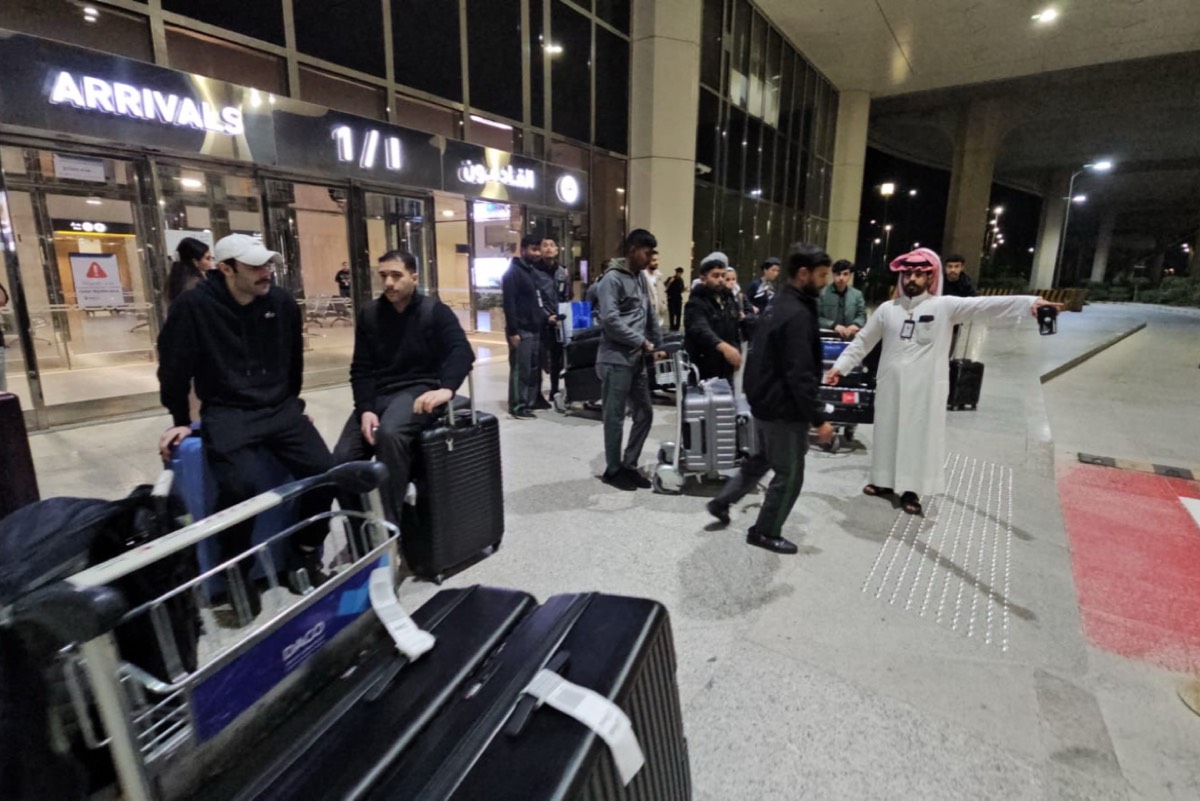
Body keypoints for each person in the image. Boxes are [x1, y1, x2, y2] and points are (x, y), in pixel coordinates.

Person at [156, 233, 333, 600]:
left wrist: (293, 405)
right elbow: (174, 369)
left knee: (326, 473)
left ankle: (303, 551)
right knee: (240, 488)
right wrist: (180, 419)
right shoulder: (193, 307)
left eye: (267, 264)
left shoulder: (281, 303)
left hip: (279, 408)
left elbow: (293, 361)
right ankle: (235, 570)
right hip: (228, 411)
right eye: (254, 267)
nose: (266, 272)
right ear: (225, 269)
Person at [826, 248, 1063, 516]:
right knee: (887, 433)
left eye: (919, 274)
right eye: (908, 273)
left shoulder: (944, 307)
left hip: (925, 390)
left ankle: (911, 490)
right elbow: (863, 341)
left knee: (917, 439)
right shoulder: (887, 310)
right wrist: (840, 367)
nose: (912, 278)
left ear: (930, 277)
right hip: (891, 386)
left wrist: (1030, 303)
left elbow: (985, 306)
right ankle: (883, 481)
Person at [705, 243, 835, 554]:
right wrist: (819, 418)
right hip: (783, 408)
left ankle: (723, 501)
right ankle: (764, 531)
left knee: (762, 458)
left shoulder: (780, 303)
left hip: (764, 402)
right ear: (803, 274)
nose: (825, 281)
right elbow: (799, 373)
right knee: (789, 473)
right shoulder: (797, 313)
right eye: (821, 275)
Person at [332, 250, 474, 521]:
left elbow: (461, 351)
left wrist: (446, 389)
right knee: (341, 460)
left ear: (414, 278)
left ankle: (389, 527)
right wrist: (365, 409)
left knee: (390, 434)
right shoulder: (370, 314)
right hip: (380, 394)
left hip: (420, 388)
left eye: (396, 276)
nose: (389, 283)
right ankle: (362, 528)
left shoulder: (434, 311)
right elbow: (361, 368)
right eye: (383, 276)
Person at [595, 229, 664, 491]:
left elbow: (648, 312)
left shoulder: (640, 278)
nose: (650, 258)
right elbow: (610, 320)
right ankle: (613, 470)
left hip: (636, 359)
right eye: (647, 252)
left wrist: (657, 343)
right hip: (615, 360)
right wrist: (640, 341)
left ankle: (629, 464)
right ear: (633, 250)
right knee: (614, 417)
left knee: (644, 413)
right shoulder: (611, 279)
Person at [502, 235, 556, 419]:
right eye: (534, 250)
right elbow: (509, 304)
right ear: (523, 250)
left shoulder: (531, 272)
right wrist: (513, 331)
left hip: (534, 328)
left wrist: (546, 318)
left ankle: (531, 401)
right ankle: (518, 405)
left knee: (533, 368)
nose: (537, 253)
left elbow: (537, 301)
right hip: (521, 330)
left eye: (538, 249)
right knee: (521, 369)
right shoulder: (513, 273)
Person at [684, 256, 742, 382]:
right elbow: (700, 329)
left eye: (723, 275)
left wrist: (736, 351)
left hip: (725, 367)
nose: (720, 280)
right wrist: (723, 347)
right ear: (703, 279)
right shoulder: (695, 303)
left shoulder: (729, 300)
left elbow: (735, 329)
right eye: (715, 276)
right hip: (703, 367)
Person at [532, 238, 563, 409]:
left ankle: (555, 389)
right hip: (541, 322)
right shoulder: (534, 272)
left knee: (558, 359)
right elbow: (534, 299)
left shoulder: (562, 271)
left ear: (557, 249)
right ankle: (536, 394)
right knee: (540, 358)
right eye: (545, 245)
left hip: (559, 322)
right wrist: (546, 316)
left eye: (552, 245)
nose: (549, 248)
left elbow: (566, 295)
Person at [818, 259, 867, 339]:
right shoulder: (822, 293)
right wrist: (834, 325)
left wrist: (855, 325)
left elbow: (862, 315)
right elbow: (815, 317)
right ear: (833, 274)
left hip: (851, 336)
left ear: (850, 275)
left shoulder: (857, 294)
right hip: (828, 335)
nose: (841, 278)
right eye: (838, 274)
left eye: (845, 274)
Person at [165, 237, 214, 306]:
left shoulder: (173, 280)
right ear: (195, 261)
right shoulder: (196, 285)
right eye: (207, 258)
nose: (211, 261)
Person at [664, 267, 686, 331]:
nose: (679, 274)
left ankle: (677, 327)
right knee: (672, 313)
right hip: (671, 298)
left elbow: (681, 290)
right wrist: (670, 282)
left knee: (678, 313)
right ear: (676, 272)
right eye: (678, 272)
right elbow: (665, 288)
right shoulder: (671, 278)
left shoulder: (681, 280)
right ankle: (672, 326)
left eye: (680, 273)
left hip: (678, 298)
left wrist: (684, 289)